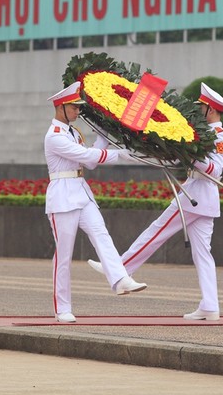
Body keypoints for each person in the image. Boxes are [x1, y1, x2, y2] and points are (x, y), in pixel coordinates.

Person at [87, 82, 223, 321]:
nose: (198, 112)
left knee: (156, 232)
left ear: (211, 110)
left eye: (201, 108)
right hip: (199, 195)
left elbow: (214, 170)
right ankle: (210, 305)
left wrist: (191, 156)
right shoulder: (206, 133)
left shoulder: (218, 136)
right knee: (202, 254)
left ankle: (120, 268)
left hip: (197, 195)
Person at [45, 81, 147, 323]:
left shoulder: (72, 133)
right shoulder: (54, 136)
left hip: (81, 191)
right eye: (74, 107)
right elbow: (85, 156)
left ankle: (120, 279)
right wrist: (120, 155)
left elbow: (89, 162)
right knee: (64, 255)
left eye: (79, 107)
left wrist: (105, 134)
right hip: (62, 197)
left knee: (102, 234)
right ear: (61, 107)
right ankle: (62, 308)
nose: (78, 112)